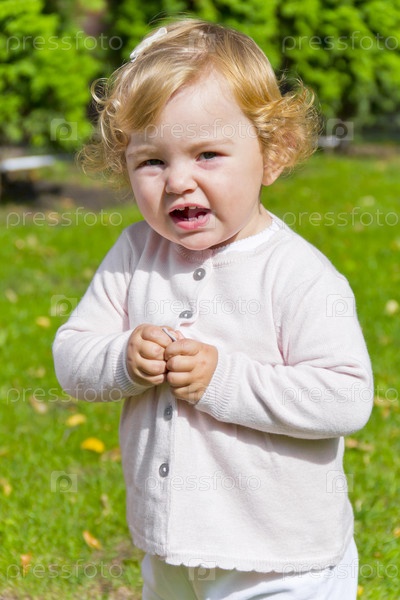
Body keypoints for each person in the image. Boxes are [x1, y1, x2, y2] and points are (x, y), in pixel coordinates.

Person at [53, 18, 373, 600]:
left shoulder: (295, 273)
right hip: (170, 551)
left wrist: (222, 379)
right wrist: (121, 359)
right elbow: (73, 356)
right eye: (151, 161)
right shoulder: (135, 254)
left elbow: (345, 397)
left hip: (281, 561)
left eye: (207, 154)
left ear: (272, 154)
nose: (178, 180)